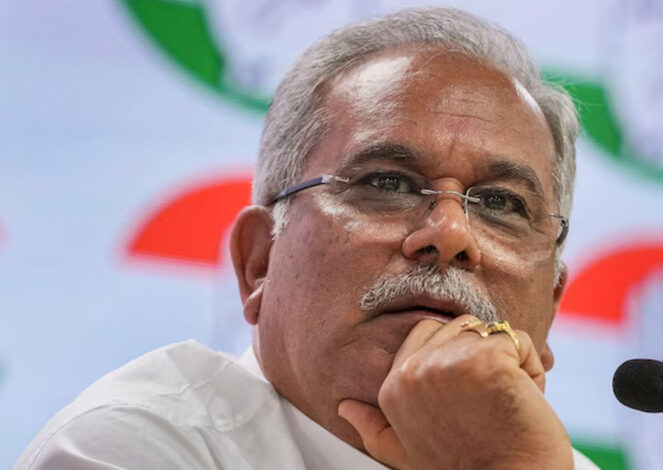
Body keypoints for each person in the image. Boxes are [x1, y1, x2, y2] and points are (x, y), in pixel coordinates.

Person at [15, 7, 598, 470]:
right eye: (387, 183)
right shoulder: (130, 447)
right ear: (259, 261)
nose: (449, 234)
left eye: (500, 203)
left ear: (551, 305)